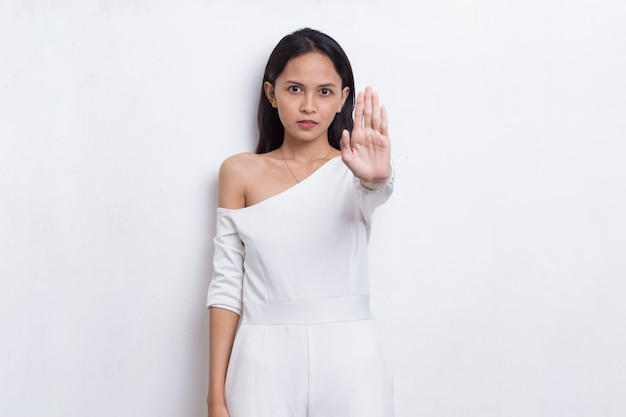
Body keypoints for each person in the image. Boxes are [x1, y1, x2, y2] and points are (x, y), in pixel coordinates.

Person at [206, 28, 395, 417]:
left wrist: (378, 177)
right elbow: (226, 286)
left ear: (344, 97)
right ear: (272, 93)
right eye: (295, 89)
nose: (309, 105)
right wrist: (215, 396)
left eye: (325, 91)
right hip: (263, 361)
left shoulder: (357, 171)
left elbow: (376, 189)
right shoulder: (239, 172)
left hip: (352, 359)